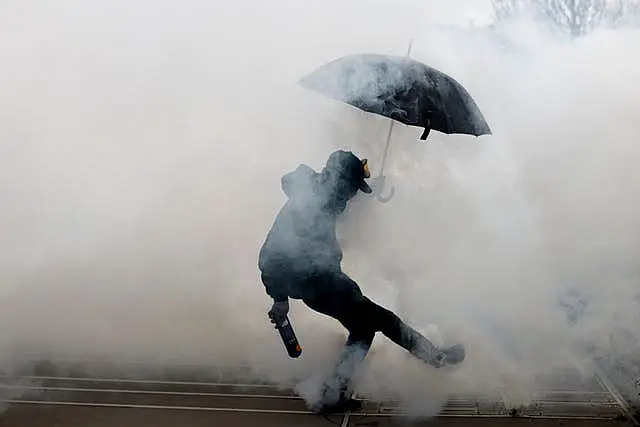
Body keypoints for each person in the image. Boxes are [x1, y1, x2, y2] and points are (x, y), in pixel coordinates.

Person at [258, 150, 465, 413]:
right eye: (352, 188)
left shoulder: (319, 195)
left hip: (327, 281)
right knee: (383, 320)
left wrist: (370, 192)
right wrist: (279, 300)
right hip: (319, 285)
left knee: (363, 329)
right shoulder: (309, 205)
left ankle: (333, 393)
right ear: (340, 182)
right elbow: (269, 257)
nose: (353, 194)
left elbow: (339, 208)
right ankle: (436, 357)